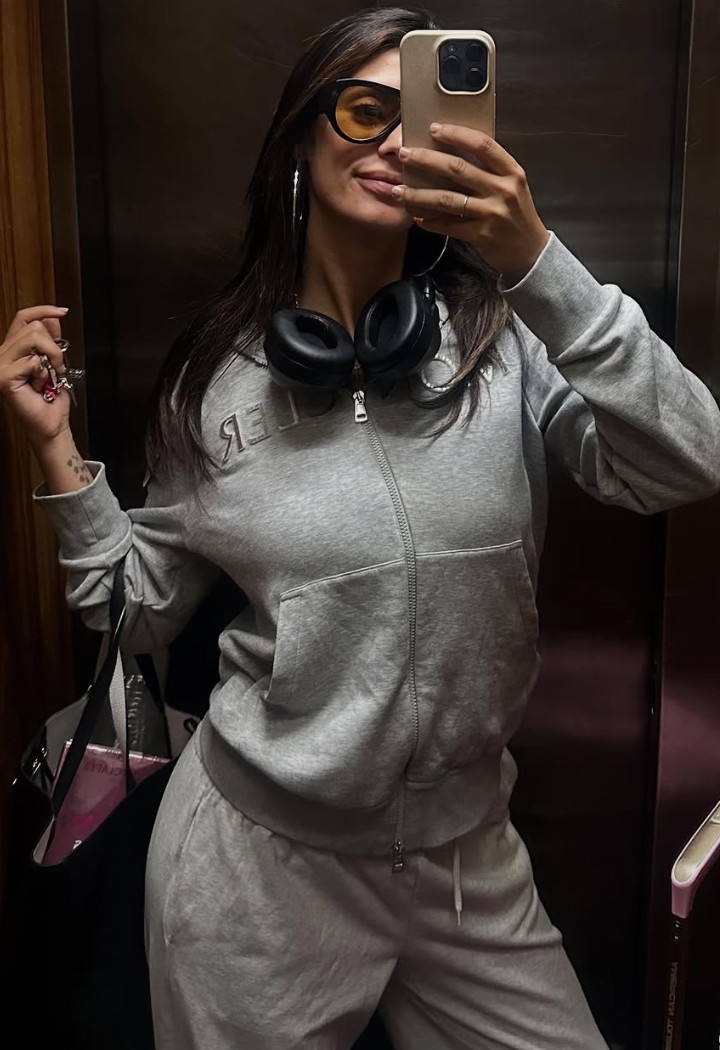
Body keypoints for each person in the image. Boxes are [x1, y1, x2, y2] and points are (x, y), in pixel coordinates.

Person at [2, 7, 719, 1049]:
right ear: (302, 139)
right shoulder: (210, 385)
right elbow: (137, 613)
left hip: (467, 863)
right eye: (363, 110)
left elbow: (687, 460)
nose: (393, 141)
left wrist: (536, 261)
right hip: (256, 874)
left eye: (419, 115)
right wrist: (58, 454)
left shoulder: (506, 339)